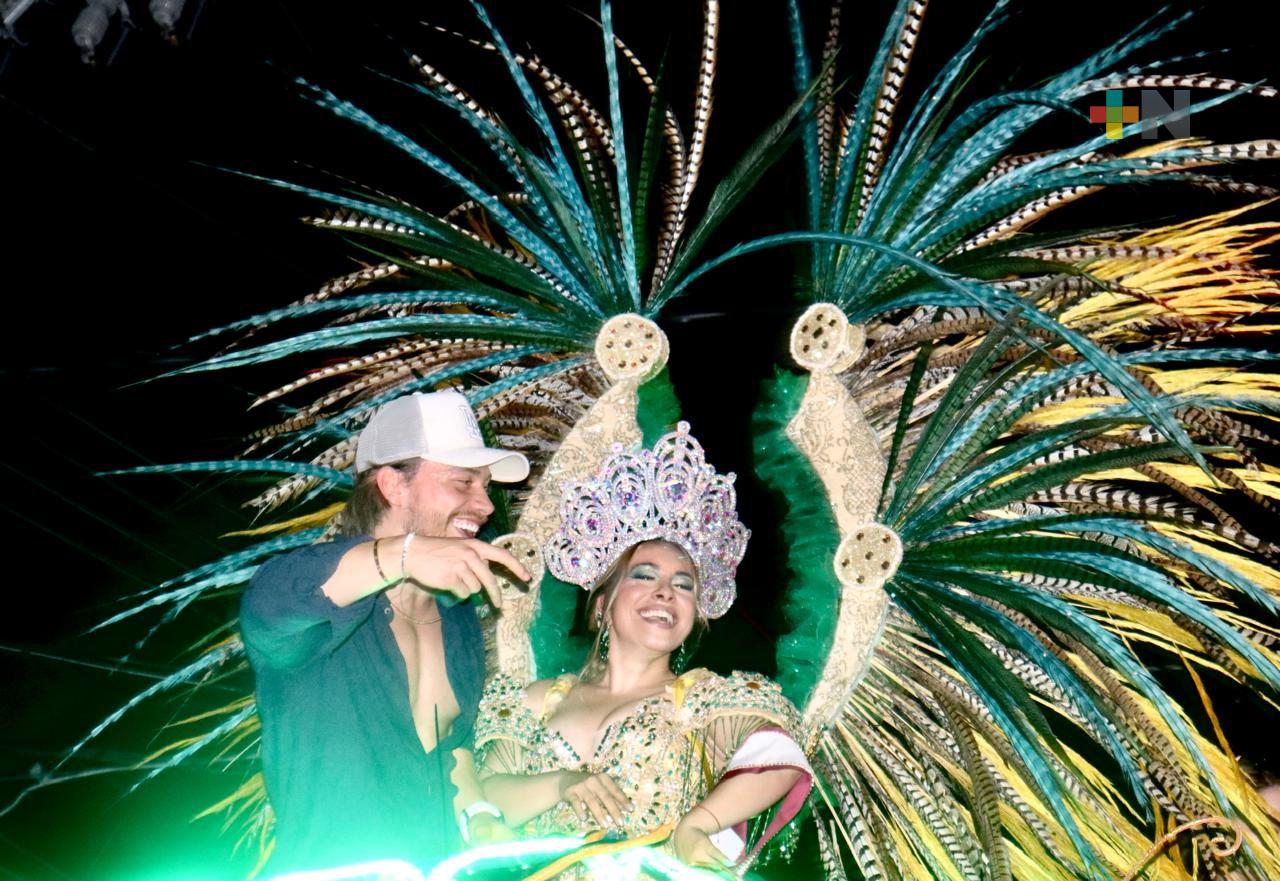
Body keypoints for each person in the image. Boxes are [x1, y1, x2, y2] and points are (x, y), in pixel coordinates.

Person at [473, 425, 813, 878]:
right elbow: (487, 796)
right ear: (602, 607)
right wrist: (562, 783)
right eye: (644, 576)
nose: (665, 592)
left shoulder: (705, 700)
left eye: (683, 584)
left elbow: (779, 758)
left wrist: (696, 826)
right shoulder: (536, 699)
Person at [240, 389, 532, 873]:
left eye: (485, 486)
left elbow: (450, 750)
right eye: (462, 482)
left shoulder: (459, 619)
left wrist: (481, 816)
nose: (483, 505)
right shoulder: (309, 600)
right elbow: (266, 603)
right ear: (393, 486)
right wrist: (405, 553)